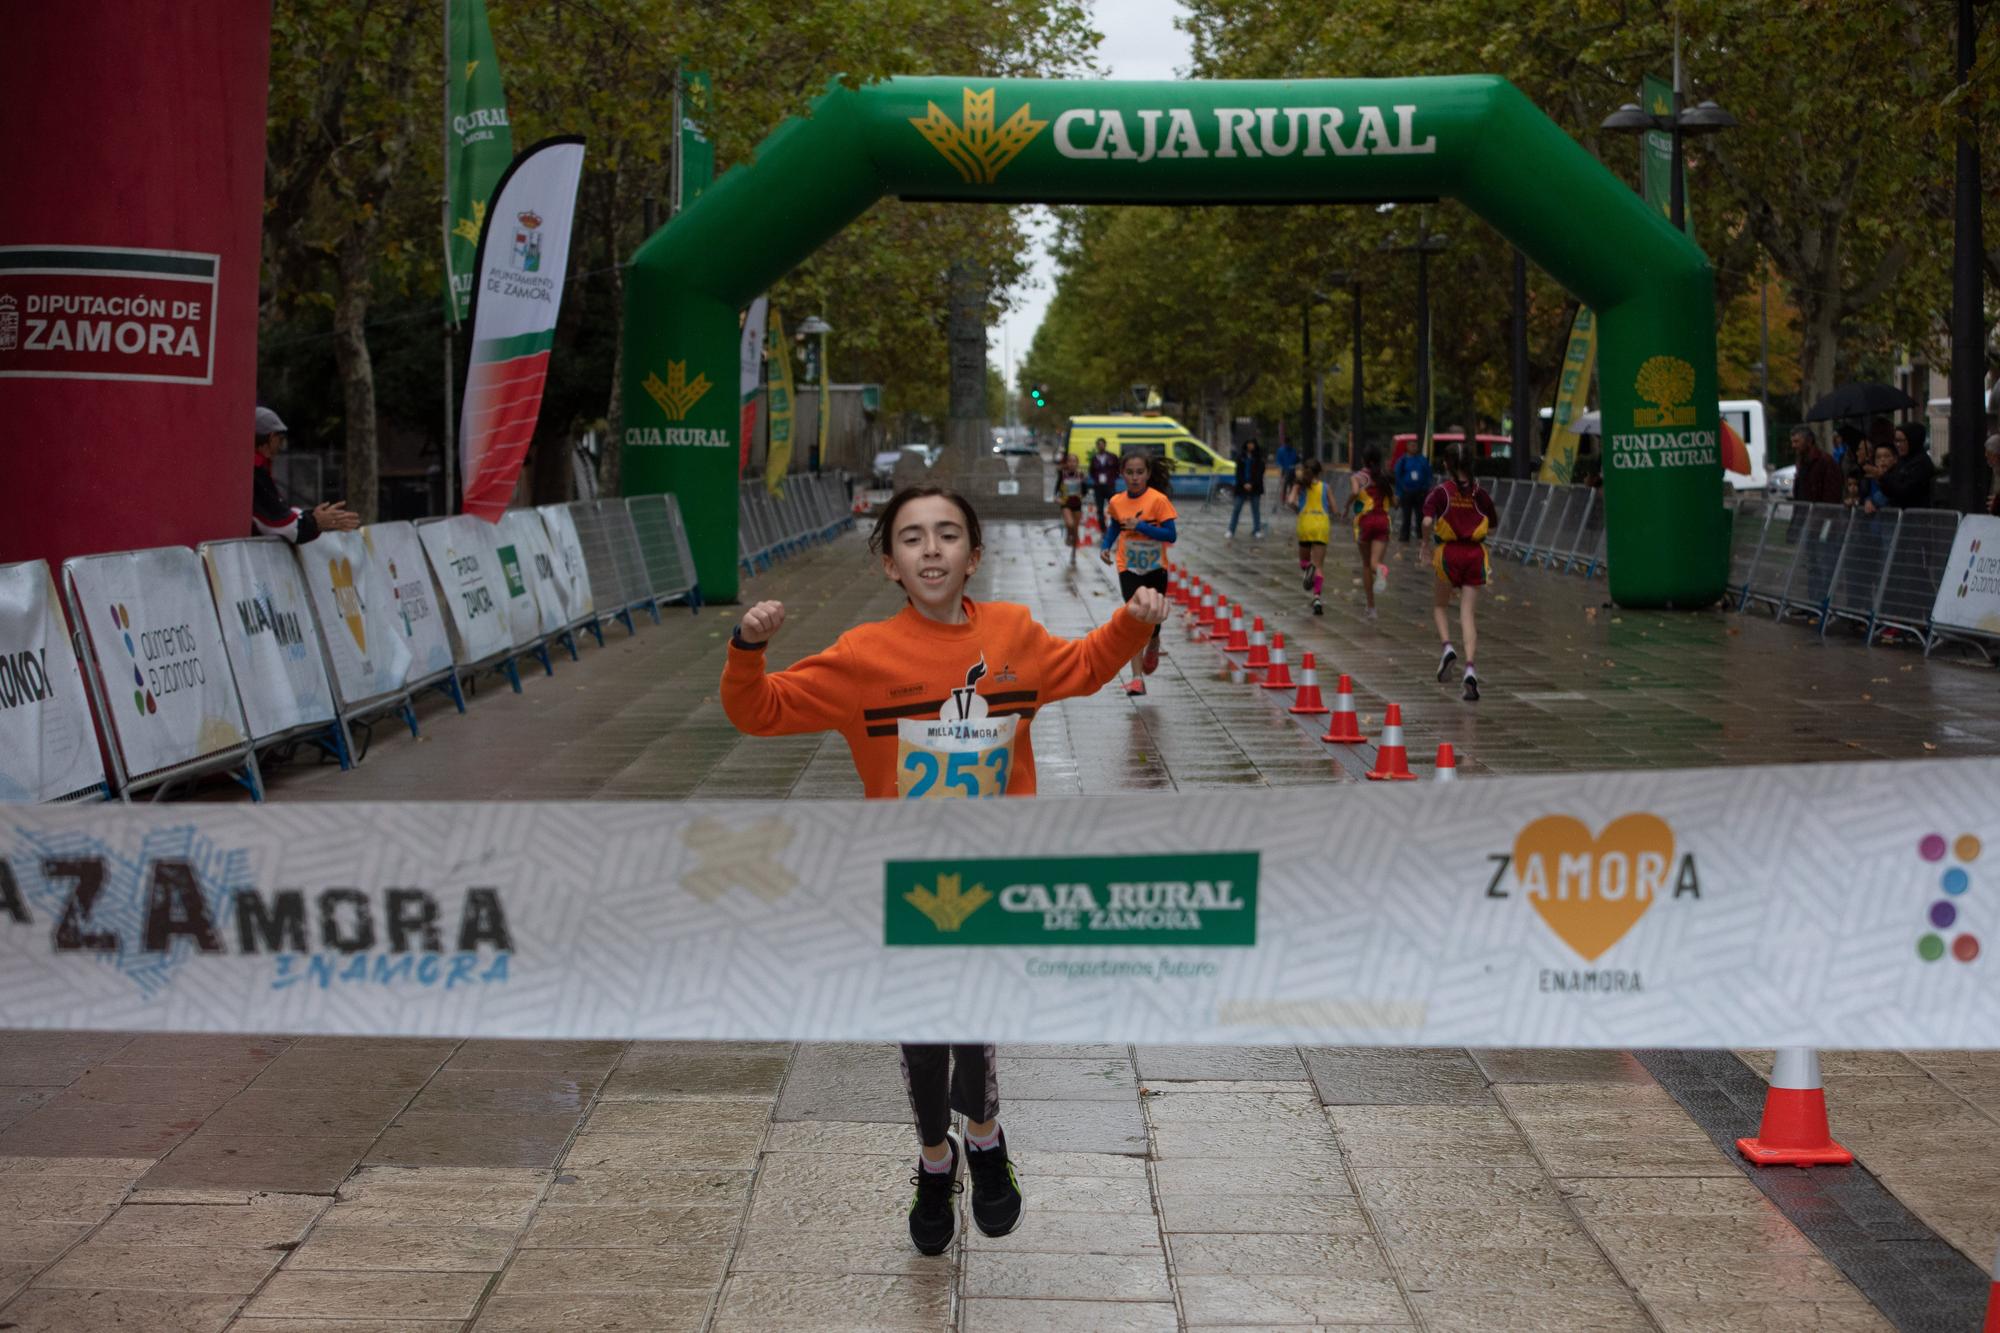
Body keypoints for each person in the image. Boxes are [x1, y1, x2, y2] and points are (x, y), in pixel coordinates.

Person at [720, 486, 1165, 1256]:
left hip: (994, 875)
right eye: (913, 538)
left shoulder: (1014, 635)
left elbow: (1087, 667)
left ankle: (985, 1141)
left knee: (972, 1018)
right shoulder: (862, 656)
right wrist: (746, 647)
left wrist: (1133, 621)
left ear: (974, 555)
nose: (932, 549)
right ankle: (938, 1157)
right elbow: (758, 710)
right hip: (904, 882)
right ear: (889, 562)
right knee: (924, 1035)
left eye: (948, 535)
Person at [1422, 442, 1499, 703]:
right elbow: (1493, 524)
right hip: (1475, 555)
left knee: (1440, 606)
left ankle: (1447, 647)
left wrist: (1424, 544)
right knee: (1467, 613)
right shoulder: (1480, 493)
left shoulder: (1441, 492)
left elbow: (1427, 521)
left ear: (1446, 464)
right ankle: (1470, 669)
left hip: (1448, 554)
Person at [1100, 451, 1178, 694]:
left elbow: (1171, 535)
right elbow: (1115, 526)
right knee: (1135, 617)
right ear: (1122, 473)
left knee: (1152, 619)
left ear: (1148, 474)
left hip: (1155, 567)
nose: (1135, 478)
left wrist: (1142, 526)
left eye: (1140, 472)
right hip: (1128, 566)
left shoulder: (1158, 501)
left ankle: (1154, 640)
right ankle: (1136, 679)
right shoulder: (1116, 501)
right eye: (1130, 473)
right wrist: (1105, 546)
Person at [253, 406, 359, 543]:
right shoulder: (256, 472)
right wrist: (316, 521)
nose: (280, 446)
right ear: (272, 437)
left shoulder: (256, 469)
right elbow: (285, 526)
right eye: (280, 439)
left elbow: (280, 513)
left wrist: (313, 517)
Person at [1348, 446, 1393, 620]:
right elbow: (1395, 501)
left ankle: (1371, 608)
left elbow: (1354, 492)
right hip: (1383, 521)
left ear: (1363, 460)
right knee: (1375, 561)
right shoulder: (1384, 478)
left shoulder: (1358, 477)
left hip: (1365, 522)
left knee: (1367, 564)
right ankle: (1380, 568)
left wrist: (1347, 505)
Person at [1293, 459, 1332, 616]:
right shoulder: (1326, 487)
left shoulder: (1300, 486)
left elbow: (1289, 501)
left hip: (1305, 525)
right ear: (1320, 472)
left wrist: (1298, 508)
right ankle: (1317, 598)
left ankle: (1307, 567)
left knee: (1305, 562)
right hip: (1321, 526)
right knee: (1319, 565)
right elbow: (1334, 508)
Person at [1880, 421, 1935, 509]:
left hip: (1916, 517)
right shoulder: (1901, 461)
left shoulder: (1921, 463)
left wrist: (1883, 477)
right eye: (1895, 441)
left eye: (1901, 441)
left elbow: (1905, 491)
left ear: (1912, 440)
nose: (1897, 445)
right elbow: (1891, 491)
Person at [1790, 426, 1842, 505]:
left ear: (1809, 441)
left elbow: (1832, 494)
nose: (1793, 445)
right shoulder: (1801, 461)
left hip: (1818, 513)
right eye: (1792, 442)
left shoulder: (1825, 461)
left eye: (1797, 442)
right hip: (1802, 512)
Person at [1393, 444, 1434, 543]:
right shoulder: (1402, 461)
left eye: (1415, 446)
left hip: (1420, 492)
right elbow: (1397, 476)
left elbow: (1428, 473)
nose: (1414, 447)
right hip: (1406, 493)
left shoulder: (1422, 460)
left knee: (1420, 515)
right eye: (1412, 445)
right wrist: (1398, 492)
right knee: (1406, 516)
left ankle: (1421, 536)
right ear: (1407, 447)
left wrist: (1427, 488)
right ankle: (1404, 537)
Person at [1227, 436, 1266, 539]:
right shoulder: (1241, 457)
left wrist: (1252, 484)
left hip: (1255, 487)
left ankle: (1257, 529)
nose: (1250, 445)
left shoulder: (1258, 458)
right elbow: (1238, 473)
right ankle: (1231, 530)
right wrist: (1244, 483)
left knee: (1255, 509)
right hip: (1241, 487)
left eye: (1252, 443)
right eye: (1248, 443)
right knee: (1236, 508)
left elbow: (1259, 473)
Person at [1054, 452, 1085, 560]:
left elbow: (1084, 490)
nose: (1072, 463)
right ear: (1067, 463)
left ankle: (1073, 553)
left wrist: (1082, 494)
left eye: (1074, 461)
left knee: (1075, 530)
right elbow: (1056, 490)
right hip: (1066, 503)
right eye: (1070, 461)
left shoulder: (1081, 475)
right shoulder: (1062, 474)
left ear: (1077, 463)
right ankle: (1068, 534)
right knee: (1070, 524)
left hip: (1077, 504)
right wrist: (1057, 498)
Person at [1088, 438, 1120, 529]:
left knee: (1114, 506)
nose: (1100, 446)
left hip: (1109, 485)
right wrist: (1096, 479)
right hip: (1098, 486)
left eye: (1102, 444)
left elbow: (1118, 468)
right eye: (1099, 444)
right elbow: (1091, 471)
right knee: (1100, 509)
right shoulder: (1094, 458)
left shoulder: (1112, 457)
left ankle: (1115, 526)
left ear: (1105, 445)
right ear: (1097, 446)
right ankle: (1103, 529)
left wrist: (1113, 478)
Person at [1274, 438, 1300, 510]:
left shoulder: (1293, 450)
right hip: (1284, 472)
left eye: (1290, 444)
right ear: (1285, 444)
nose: (1289, 445)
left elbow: (1296, 460)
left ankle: (1291, 502)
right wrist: (1280, 467)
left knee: (1292, 487)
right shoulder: (1281, 451)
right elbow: (1278, 461)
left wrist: (1295, 464)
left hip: (1292, 472)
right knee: (1284, 488)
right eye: (1288, 444)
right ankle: (1283, 502)